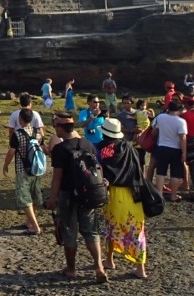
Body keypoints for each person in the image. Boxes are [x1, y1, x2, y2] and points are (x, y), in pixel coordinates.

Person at [47, 114, 108, 283]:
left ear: (60, 128)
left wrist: (52, 198)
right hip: (88, 193)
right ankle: (99, 267)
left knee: (69, 232)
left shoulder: (60, 149)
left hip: (67, 194)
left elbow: (57, 177)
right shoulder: (87, 144)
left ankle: (71, 269)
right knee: (91, 231)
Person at [97, 118, 147, 278]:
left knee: (111, 228)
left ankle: (110, 260)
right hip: (134, 192)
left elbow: (104, 170)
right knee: (136, 231)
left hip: (115, 193)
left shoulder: (106, 149)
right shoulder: (131, 148)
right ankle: (140, 269)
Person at [4, 108, 44, 234]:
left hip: (22, 169)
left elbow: (11, 152)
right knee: (35, 196)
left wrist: (5, 165)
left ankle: (35, 226)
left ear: (20, 119)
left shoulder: (17, 134)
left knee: (24, 198)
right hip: (36, 169)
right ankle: (29, 222)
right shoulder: (38, 133)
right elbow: (43, 147)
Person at [151, 99, 187, 202]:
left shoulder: (161, 117)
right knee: (175, 173)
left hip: (162, 147)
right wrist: (184, 152)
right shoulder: (181, 121)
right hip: (176, 149)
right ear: (179, 109)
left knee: (161, 172)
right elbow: (182, 138)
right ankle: (173, 195)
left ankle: (159, 194)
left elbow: (154, 131)